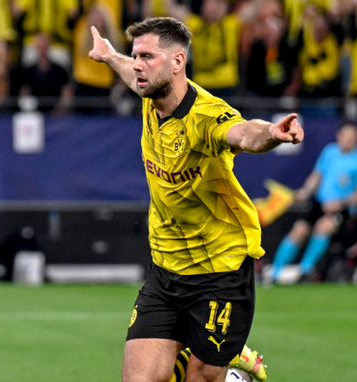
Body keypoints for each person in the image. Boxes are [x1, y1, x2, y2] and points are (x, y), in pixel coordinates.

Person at [89, 17, 303, 382]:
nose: (138, 64)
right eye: (136, 55)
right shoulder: (149, 92)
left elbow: (243, 133)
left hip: (219, 272)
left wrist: (271, 132)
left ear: (177, 62)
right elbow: (130, 72)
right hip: (166, 270)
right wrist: (110, 56)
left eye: (148, 56)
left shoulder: (204, 115)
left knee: (200, 377)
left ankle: (233, 376)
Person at [268, 121, 357, 284]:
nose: (348, 140)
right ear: (339, 136)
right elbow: (317, 176)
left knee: (323, 227)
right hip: (319, 203)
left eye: (353, 137)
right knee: (299, 230)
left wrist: (342, 203)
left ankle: (304, 271)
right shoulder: (329, 152)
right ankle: (274, 273)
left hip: (343, 209)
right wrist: (305, 191)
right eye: (346, 136)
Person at [19, 33, 73, 113]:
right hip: (35, 114)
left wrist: (59, 111)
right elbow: (24, 93)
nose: (42, 50)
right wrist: (32, 111)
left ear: (49, 47)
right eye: (40, 47)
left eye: (44, 47)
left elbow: (66, 93)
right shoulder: (28, 71)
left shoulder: (60, 71)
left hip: (57, 115)